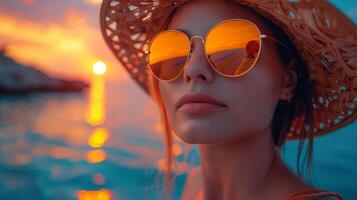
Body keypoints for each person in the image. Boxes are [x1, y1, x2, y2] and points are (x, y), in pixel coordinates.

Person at [99, 0, 356, 199]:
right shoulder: (193, 184)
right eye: (172, 50)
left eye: (230, 50)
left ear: (287, 82)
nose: (192, 69)